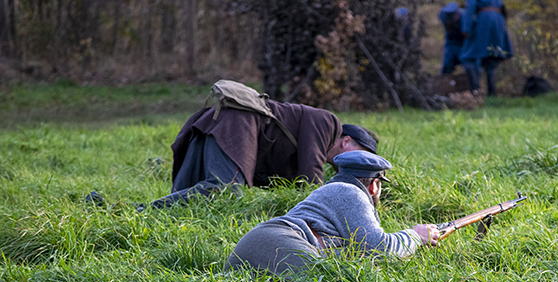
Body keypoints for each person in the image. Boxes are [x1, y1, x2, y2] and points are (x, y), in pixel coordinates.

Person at [87, 102, 378, 209]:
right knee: (224, 192)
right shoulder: (329, 122)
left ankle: (116, 209)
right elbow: (310, 180)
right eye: (362, 156)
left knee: (186, 203)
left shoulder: (310, 140)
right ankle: (132, 211)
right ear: (347, 140)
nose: (360, 166)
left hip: (214, 125)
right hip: (234, 125)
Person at [224, 150, 441, 277]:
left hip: (256, 246)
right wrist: (415, 236)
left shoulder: (330, 190)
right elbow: (380, 249)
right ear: (374, 185)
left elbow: (358, 253)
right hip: (276, 242)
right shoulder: (351, 193)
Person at [460, 0, 513, 96]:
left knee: (468, 57)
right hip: (498, 20)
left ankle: (475, 91)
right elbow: (503, 7)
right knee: (491, 57)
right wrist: (503, 24)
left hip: (484, 21)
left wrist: (466, 28)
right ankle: (492, 94)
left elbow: (471, 6)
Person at [439, 2, 466, 75]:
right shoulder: (442, 15)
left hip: (463, 44)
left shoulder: (464, 17)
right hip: (450, 43)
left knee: (467, 65)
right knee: (447, 66)